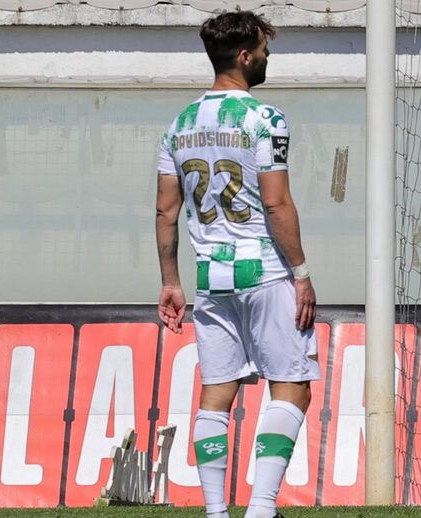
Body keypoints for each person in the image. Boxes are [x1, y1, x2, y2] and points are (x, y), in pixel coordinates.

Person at [155, 11, 318, 518]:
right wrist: (302, 273)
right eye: (265, 50)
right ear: (245, 56)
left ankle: (215, 512)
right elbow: (276, 202)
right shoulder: (264, 118)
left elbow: (165, 211)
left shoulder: (179, 124)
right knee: (292, 387)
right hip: (264, 270)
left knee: (217, 392)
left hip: (210, 277)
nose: (268, 58)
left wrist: (171, 281)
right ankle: (262, 507)